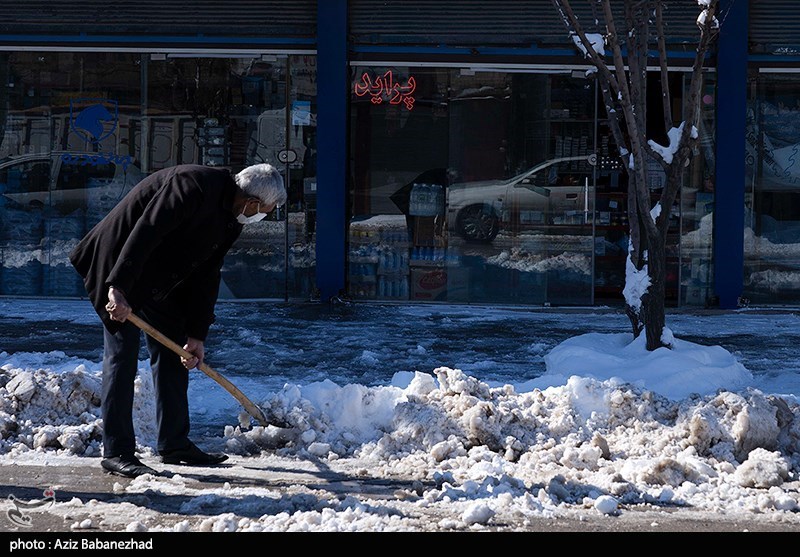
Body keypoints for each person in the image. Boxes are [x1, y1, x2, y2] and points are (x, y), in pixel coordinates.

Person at [69, 163, 287, 478]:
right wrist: (117, 288)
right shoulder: (191, 186)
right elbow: (146, 232)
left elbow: (207, 273)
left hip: (158, 275)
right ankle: (117, 451)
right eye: (265, 210)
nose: (262, 216)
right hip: (120, 263)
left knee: (176, 353)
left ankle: (174, 443)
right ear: (252, 202)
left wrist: (196, 334)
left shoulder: (230, 219)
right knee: (122, 356)